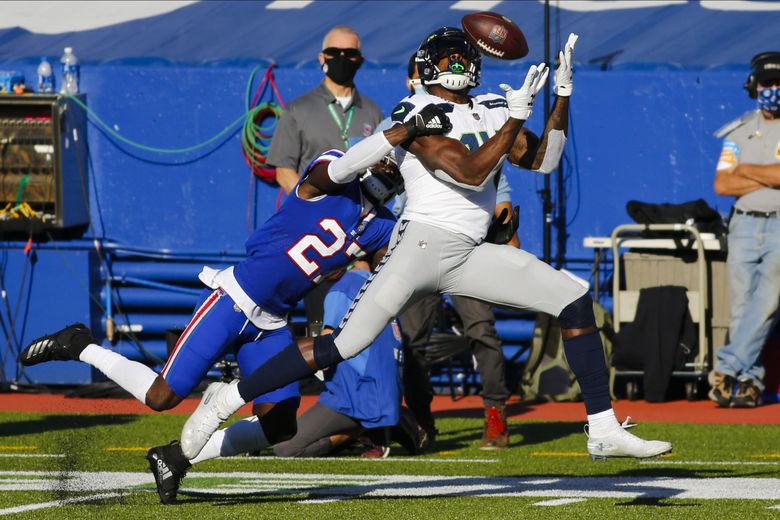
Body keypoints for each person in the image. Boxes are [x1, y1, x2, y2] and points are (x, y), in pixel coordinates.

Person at [181, 28, 673, 463]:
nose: (456, 67)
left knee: (574, 297)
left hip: (468, 252)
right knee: (344, 343)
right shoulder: (418, 111)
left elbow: (543, 159)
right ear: (428, 68)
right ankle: (227, 398)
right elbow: (469, 170)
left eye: (461, 60)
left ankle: (603, 428)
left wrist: (562, 98)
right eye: (447, 60)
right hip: (418, 245)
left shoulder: (491, 107)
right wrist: (512, 121)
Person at [18, 104, 449, 504]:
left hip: (274, 322)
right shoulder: (330, 176)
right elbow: (345, 165)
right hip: (234, 300)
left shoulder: (382, 225)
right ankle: (79, 344)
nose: (389, 167)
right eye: (387, 156)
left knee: (281, 424)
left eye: (399, 164)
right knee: (162, 396)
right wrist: (404, 132)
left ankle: (177, 457)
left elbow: (406, 257)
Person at [391, 53, 525, 450]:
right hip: (417, 239)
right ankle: (421, 418)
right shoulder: (397, 122)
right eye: (417, 76)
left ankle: (496, 414)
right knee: (413, 338)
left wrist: (503, 216)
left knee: (481, 327)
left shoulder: (472, 115)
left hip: (469, 237)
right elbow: (377, 183)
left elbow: (494, 177)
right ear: (411, 80)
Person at [267, 25, 384, 333]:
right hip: (311, 229)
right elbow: (284, 170)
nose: (342, 59)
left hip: (357, 231)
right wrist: (318, 205)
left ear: (360, 59)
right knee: (315, 320)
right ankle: (310, 377)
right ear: (322, 58)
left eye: (350, 54)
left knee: (355, 317)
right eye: (335, 53)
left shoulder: (372, 112)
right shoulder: (298, 109)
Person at [273, 259, 424, 459]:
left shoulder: (342, 289)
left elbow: (324, 349)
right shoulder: (383, 286)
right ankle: (392, 419)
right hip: (385, 391)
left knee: (285, 448)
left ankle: (360, 429)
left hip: (357, 394)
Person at [710, 51, 780, 408]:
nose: (774, 90)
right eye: (768, 83)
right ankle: (746, 382)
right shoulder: (740, 129)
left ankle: (726, 368)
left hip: (778, 225)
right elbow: (722, 184)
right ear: (755, 86)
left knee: (767, 302)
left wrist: (747, 171)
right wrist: (765, 175)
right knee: (740, 307)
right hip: (744, 226)